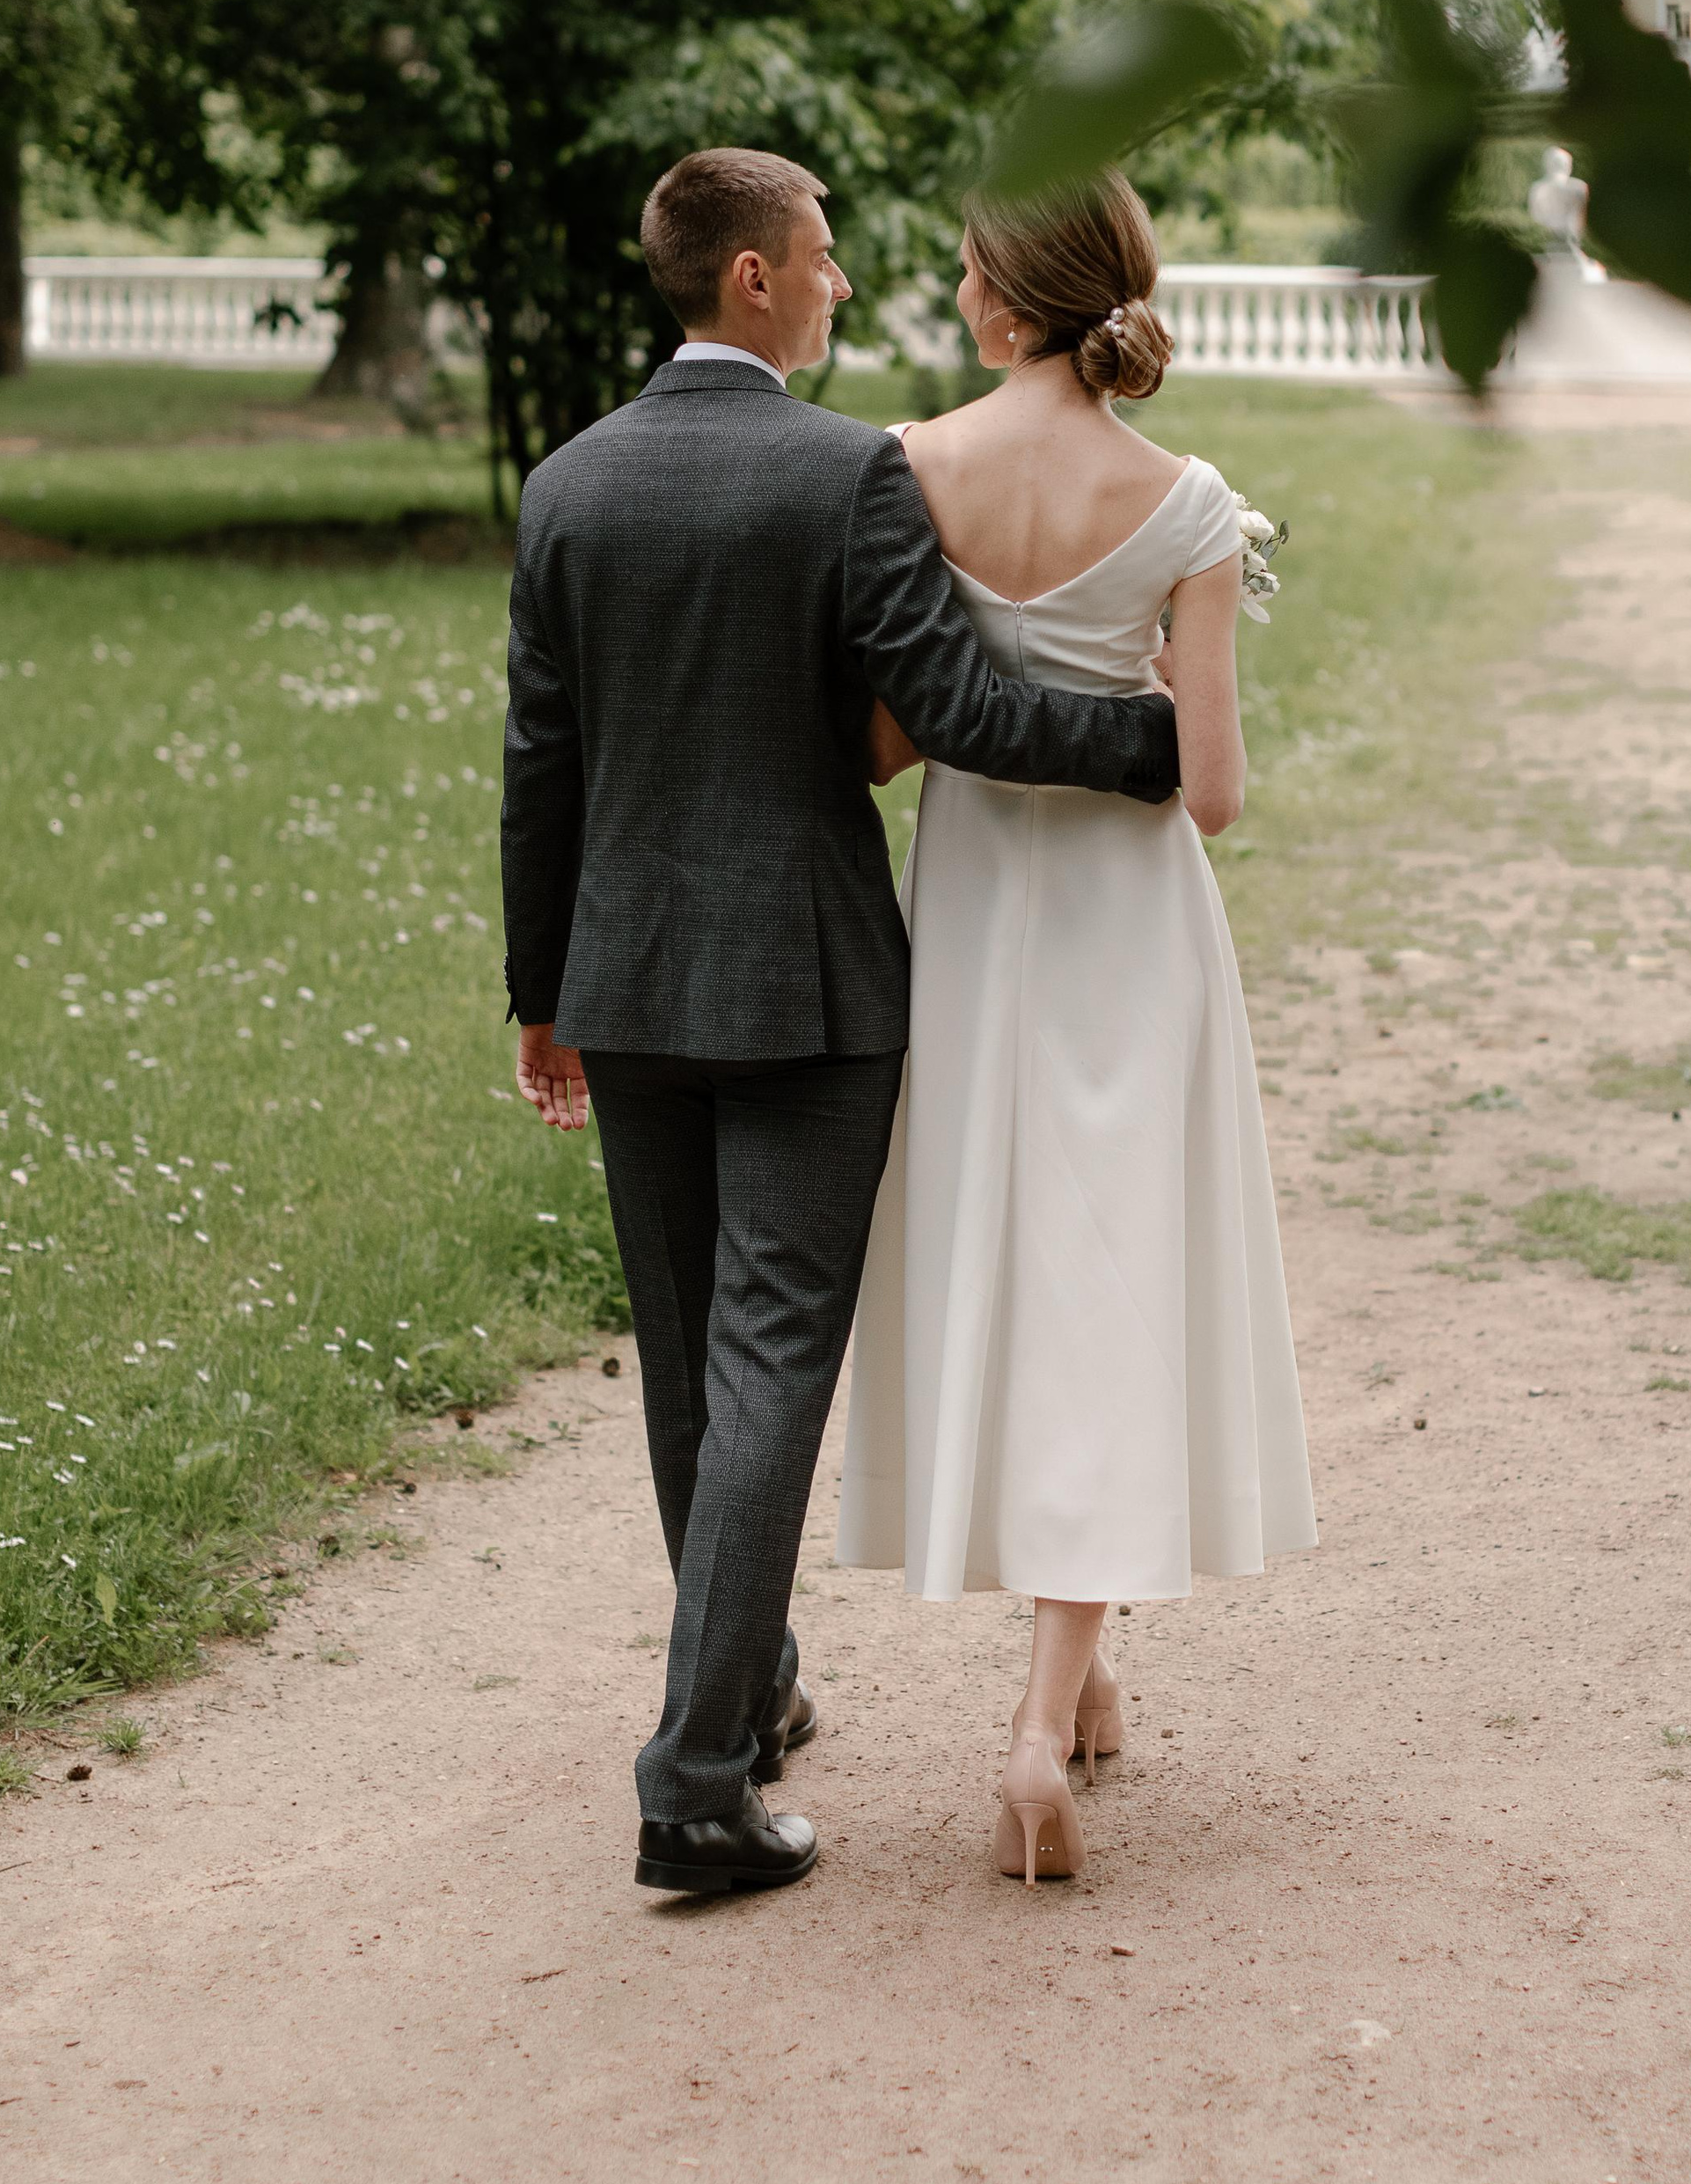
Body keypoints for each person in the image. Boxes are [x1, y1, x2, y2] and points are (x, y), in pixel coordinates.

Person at [500, 147, 1183, 1899]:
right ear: (750, 280)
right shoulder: (839, 476)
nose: (835, 284)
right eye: (815, 261)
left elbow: (542, 765)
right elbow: (953, 701)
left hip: (627, 980)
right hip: (806, 987)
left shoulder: (564, 487)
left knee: (685, 1356)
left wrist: (537, 992)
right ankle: (696, 1783)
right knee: (770, 1356)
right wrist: (1147, 741)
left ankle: (746, 1691)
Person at [836, 172, 1316, 1886]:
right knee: (1111, 1286)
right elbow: (1213, 793)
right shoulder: (1187, 503)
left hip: (970, 918)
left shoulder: (909, 467)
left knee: (1014, 1273)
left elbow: (892, 744)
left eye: (966, 268)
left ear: (999, 294)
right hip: (1126, 928)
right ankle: (1052, 1710)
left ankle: (1071, 1678)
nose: (956, 291)